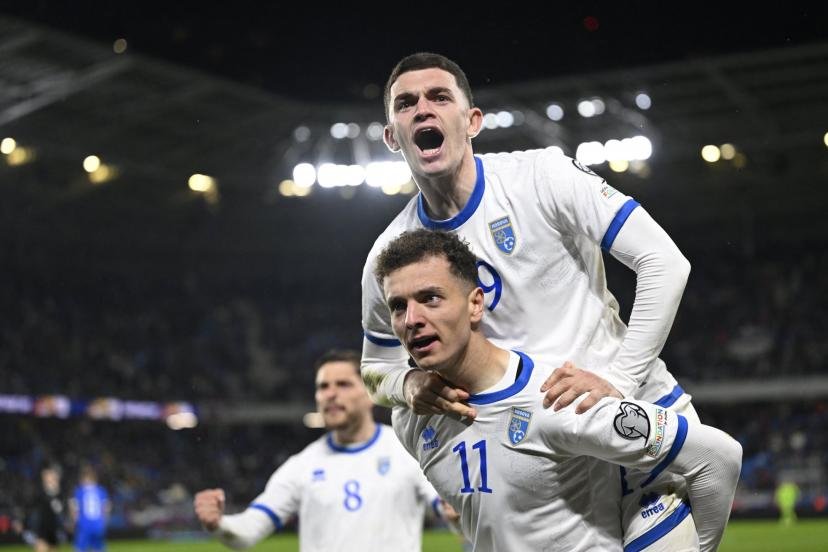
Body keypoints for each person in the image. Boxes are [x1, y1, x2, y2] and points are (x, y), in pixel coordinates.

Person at [361, 51, 700, 542]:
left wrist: (620, 381)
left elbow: (664, 262)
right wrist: (407, 384)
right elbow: (375, 369)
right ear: (393, 136)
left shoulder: (542, 177)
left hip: (633, 422)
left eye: (439, 97)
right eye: (406, 103)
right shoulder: (389, 256)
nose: (423, 109)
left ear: (472, 121)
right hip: (547, 468)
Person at [375, 229, 742, 551]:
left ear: (475, 304)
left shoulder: (559, 399)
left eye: (431, 298)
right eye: (398, 306)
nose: (412, 320)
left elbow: (718, 456)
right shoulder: (411, 419)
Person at [194, 349, 458, 551]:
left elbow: (450, 511)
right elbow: (248, 531)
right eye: (323, 387)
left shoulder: (406, 451)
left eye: (343, 384)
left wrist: (455, 514)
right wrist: (218, 523)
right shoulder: (302, 465)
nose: (330, 394)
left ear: (370, 394)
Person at [21, 465, 66, 552]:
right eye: (47, 477)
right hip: (41, 529)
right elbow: (30, 508)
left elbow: (60, 510)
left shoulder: (59, 494)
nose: (51, 480)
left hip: (53, 530)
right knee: (41, 548)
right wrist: (24, 524)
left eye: (52, 477)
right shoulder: (40, 493)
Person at [69, 465, 109, 552]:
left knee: (80, 548)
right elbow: (106, 507)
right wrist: (104, 521)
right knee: (98, 548)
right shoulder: (101, 490)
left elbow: (73, 507)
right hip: (98, 524)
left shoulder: (79, 491)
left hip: (84, 523)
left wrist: (74, 521)